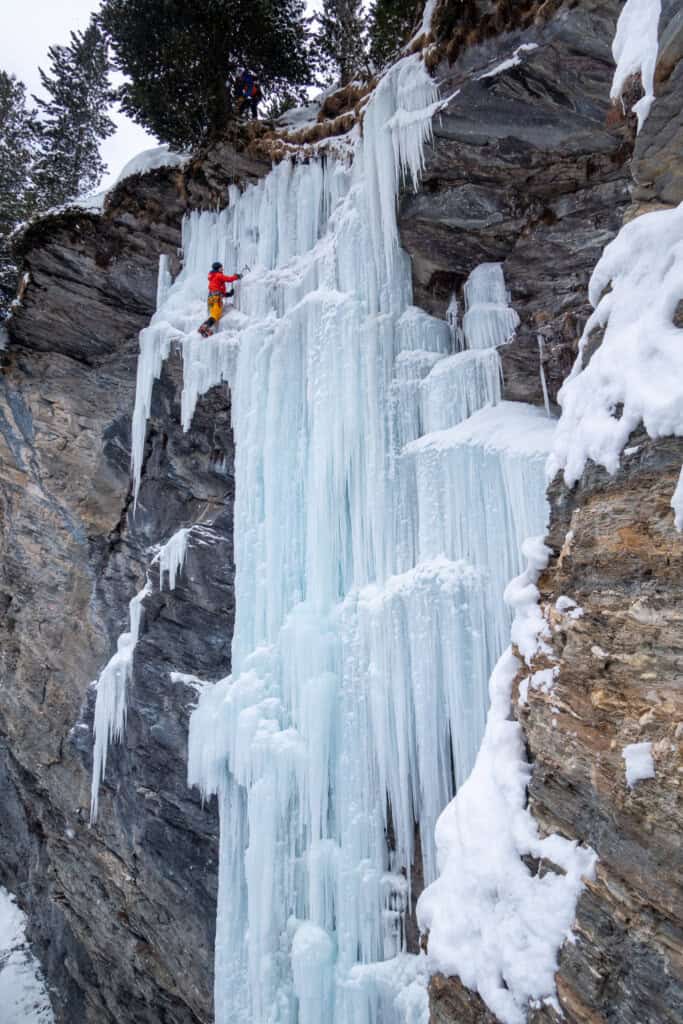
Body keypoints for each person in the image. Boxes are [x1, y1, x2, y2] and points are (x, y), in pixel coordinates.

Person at [198, 262, 242, 337]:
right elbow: (229, 279)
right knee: (215, 315)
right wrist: (237, 276)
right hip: (216, 298)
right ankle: (204, 327)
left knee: (214, 315)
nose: (222, 269)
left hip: (211, 298)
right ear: (218, 268)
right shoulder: (218, 275)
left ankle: (205, 328)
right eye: (221, 267)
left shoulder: (213, 277)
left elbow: (218, 289)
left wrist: (228, 294)